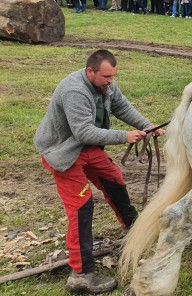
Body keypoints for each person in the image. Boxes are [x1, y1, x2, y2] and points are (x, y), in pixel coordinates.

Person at [33, 50, 165, 294]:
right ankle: (81, 274)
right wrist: (123, 136)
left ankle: (134, 234)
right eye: (106, 76)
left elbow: (123, 107)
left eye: (113, 76)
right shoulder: (74, 90)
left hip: (88, 148)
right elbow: (83, 132)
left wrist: (147, 126)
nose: (111, 81)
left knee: (114, 181)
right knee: (82, 205)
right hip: (63, 151)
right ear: (90, 71)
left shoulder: (106, 85)